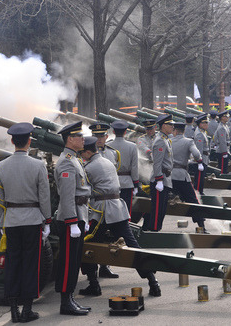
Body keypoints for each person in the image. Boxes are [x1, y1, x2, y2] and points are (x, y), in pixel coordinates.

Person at [78, 137, 161, 298]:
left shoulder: (89, 168)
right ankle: (153, 282)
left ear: (88, 152)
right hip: (118, 208)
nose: (82, 156)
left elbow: (85, 190)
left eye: (83, 153)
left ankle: (94, 285)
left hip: (102, 211)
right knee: (133, 246)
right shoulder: (108, 161)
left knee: (87, 245)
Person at [0, 122, 52, 323]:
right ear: (29, 141)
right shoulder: (38, 165)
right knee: (30, 264)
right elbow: (44, 196)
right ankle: (27, 309)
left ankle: (13, 310)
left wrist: (1, 222)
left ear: (12, 141)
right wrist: (47, 220)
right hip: (33, 219)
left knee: (12, 264)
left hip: (11, 221)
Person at [54, 121, 92, 316]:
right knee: (68, 262)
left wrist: (82, 220)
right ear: (70, 139)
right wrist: (72, 222)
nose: (83, 139)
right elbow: (68, 196)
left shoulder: (74, 158)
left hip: (78, 216)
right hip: (71, 218)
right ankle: (65, 302)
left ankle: (70, 298)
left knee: (74, 260)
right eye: (80, 136)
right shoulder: (67, 161)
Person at [88, 122, 120, 279]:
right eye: (96, 136)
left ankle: (105, 266)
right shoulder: (86, 154)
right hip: (94, 203)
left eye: (101, 136)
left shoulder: (112, 153)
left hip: (110, 202)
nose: (99, 139)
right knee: (94, 237)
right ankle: (92, 274)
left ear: (107, 137)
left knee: (111, 236)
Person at [171, 122, 206, 231]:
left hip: (169, 176)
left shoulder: (168, 141)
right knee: (193, 201)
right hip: (182, 176)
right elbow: (196, 154)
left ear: (175, 131)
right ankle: (201, 226)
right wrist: (199, 161)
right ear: (184, 131)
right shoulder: (188, 141)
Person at [144, 114, 174, 231]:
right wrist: (159, 180)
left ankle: (156, 229)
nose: (172, 126)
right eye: (170, 124)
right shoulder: (160, 141)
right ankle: (154, 230)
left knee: (162, 208)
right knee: (157, 209)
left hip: (165, 178)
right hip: (160, 179)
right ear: (163, 126)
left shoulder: (165, 139)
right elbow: (157, 163)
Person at [107, 120, 140, 217]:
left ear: (113, 132)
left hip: (111, 182)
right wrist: (136, 184)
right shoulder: (132, 146)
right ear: (125, 132)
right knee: (126, 211)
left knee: (112, 211)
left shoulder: (108, 145)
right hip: (127, 183)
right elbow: (134, 167)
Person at [193, 114, 210, 195]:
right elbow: (198, 150)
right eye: (205, 123)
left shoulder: (202, 132)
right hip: (202, 158)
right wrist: (199, 162)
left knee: (201, 177)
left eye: (207, 122)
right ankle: (199, 192)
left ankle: (199, 191)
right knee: (199, 178)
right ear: (200, 124)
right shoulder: (199, 134)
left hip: (204, 158)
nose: (207, 124)